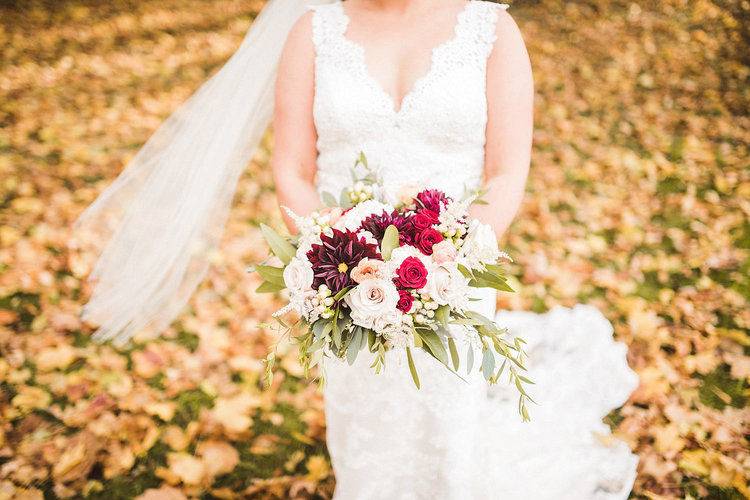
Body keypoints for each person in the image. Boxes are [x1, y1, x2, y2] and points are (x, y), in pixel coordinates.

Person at [74, 1, 640, 498]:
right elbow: (293, 169)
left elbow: (506, 170)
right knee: (365, 416)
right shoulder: (313, 32)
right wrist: (330, 252)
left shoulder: (491, 30)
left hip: (453, 274)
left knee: (448, 415)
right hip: (348, 279)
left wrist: (460, 254)